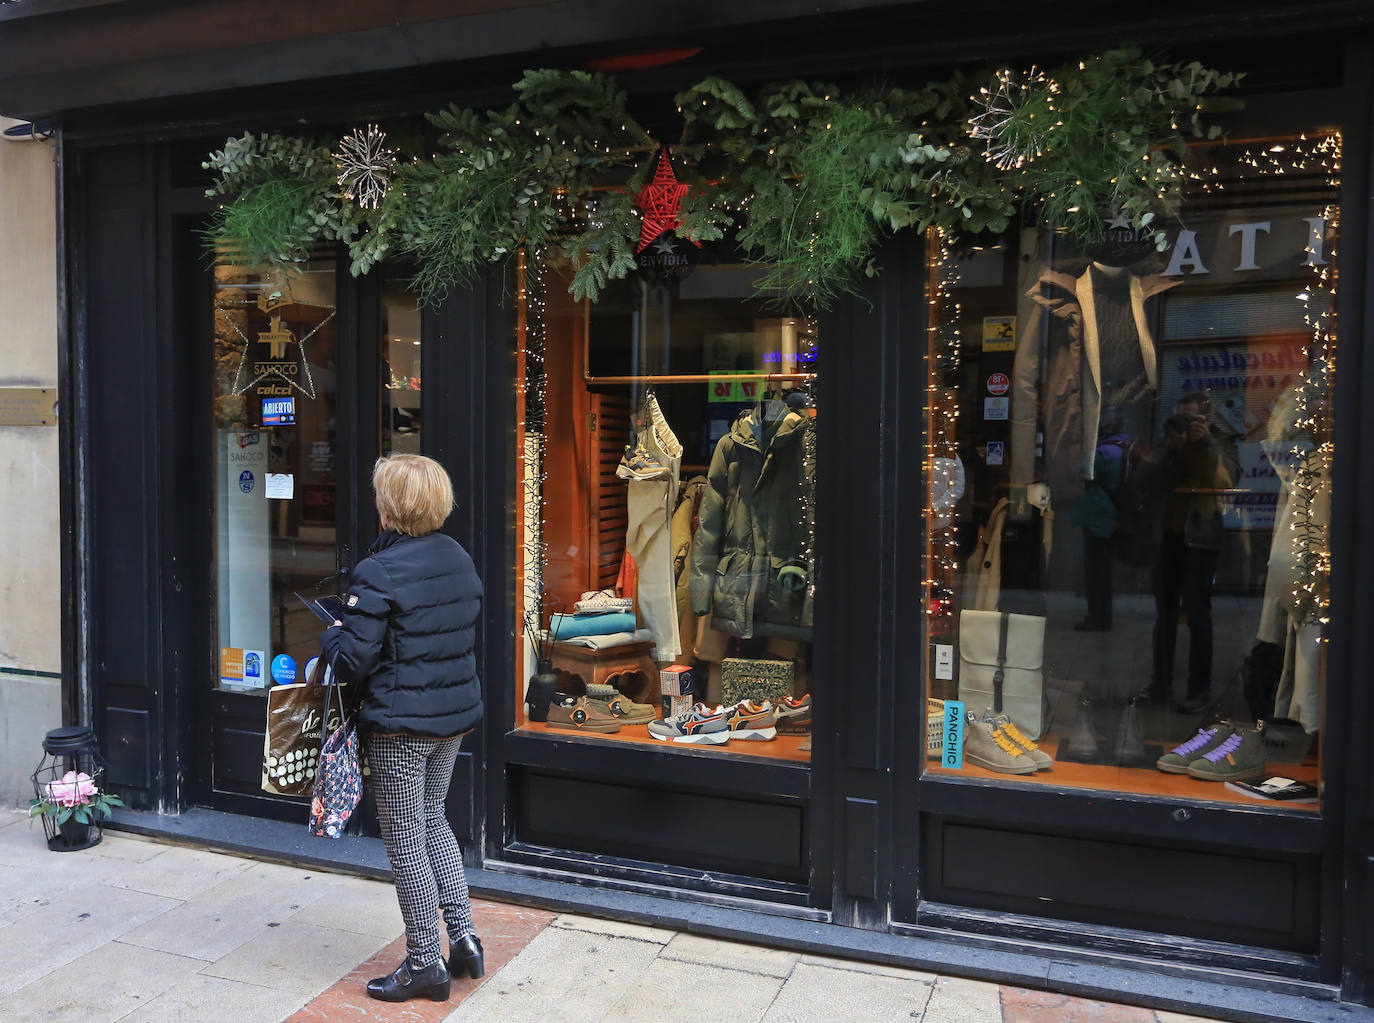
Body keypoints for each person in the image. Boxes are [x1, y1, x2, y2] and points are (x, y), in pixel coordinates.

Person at [320, 454, 485, 1003]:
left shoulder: (380, 570)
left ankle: (424, 962)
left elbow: (352, 663)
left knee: (404, 834)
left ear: (389, 507)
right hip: (452, 717)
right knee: (432, 818)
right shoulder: (458, 556)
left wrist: (333, 635)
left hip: (399, 724)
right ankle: (462, 939)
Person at [1142, 393, 1240, 713]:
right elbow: (1148, 480)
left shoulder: (1220, 441)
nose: (1184, 424)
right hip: (1167, 538)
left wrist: (1204, 444)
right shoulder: (1168, 442)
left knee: (1198, 616)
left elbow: (1226, 480)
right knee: (1164, 617)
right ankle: (1160, 684)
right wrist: (1173, 446)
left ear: (1205, 419)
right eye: (1180, 417)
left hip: (1200, 538)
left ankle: (1199, 690)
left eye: (1191, 419)